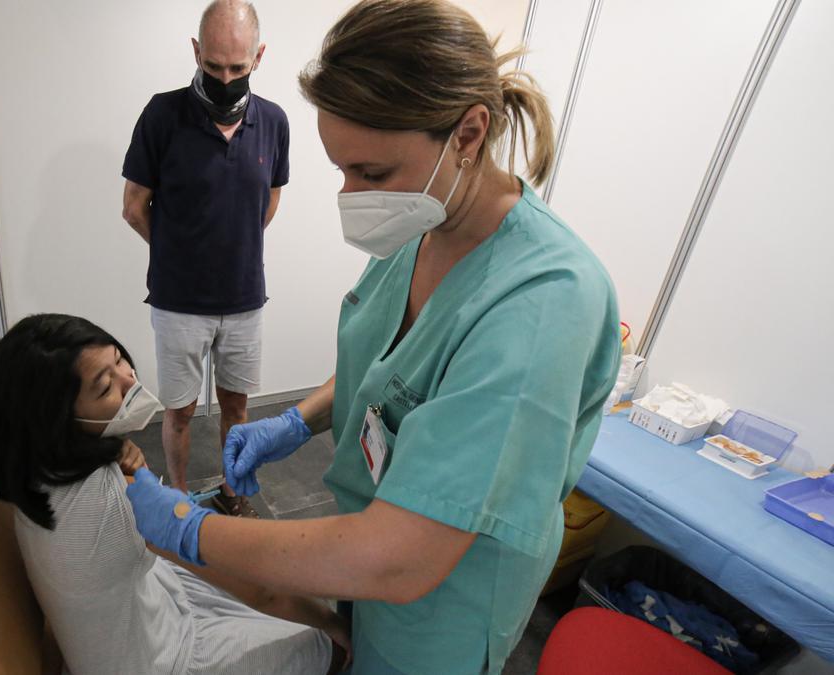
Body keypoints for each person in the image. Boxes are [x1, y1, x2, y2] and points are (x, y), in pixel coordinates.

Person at [123, 1, 622, 673]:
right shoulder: (422, 224)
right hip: (367, 549)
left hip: (442, 600)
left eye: (373, 173)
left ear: (468, 133)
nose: (353, 196)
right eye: (341, 171)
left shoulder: (544, 303)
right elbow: (399, 368)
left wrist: (193, 530)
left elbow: (399, 557)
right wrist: (297, 422)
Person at [0, 313, 348, 674]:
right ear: (58, 419)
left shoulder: (35, 470)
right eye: (105, 387)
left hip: (139, 614)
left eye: (120, 360)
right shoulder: (118, 498)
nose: (130, 380)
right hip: (156, 659)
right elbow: (261, 587)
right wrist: (334, 625)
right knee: (320, 644)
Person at [121, 0, 290, 518]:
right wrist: (182, 253)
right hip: (178, 301)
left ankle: (234, 493)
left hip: (244, 298)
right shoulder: (162, 114)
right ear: (196, 51)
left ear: (259, 56)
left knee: (237, 408)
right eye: (213, 66)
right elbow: (133, 207)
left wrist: (230, 247)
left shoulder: (275, 123)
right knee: (180, 410)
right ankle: (175, 498)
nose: (225, 77)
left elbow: (271, 199)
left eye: (237, 68)